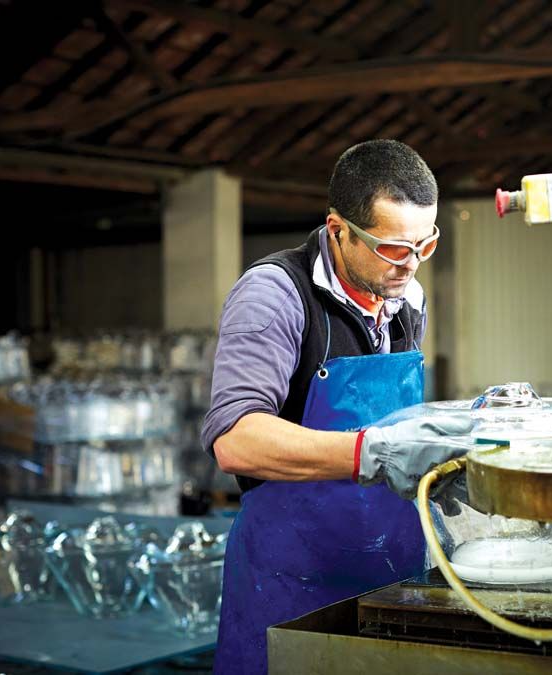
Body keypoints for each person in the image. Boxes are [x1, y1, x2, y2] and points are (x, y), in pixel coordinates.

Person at [202, 139, 473, 675]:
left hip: (383, 567)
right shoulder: (275, 294)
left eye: (426, 245)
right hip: (289, 581)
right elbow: (235, 439)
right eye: (394, 248)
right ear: (337, 229)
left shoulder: (405, 298)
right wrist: (374, 452)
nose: (411, 266)